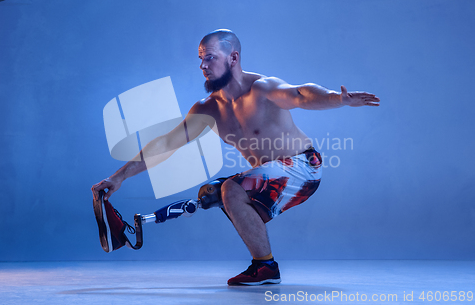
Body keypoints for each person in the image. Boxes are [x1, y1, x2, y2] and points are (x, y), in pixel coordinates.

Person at [91, 29, 380, 286]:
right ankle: (262, 264)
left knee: (231, 189)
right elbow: (165, 144)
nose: (203, 66)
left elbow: (301, 94)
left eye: (210, 58)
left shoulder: (262, 89)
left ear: (233, 58)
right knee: (215, 191)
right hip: (272, 173)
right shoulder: (207, 110)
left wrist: (336, 98)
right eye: (200, 59)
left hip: (305, 165)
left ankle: (264, 266)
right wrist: (118, 178)